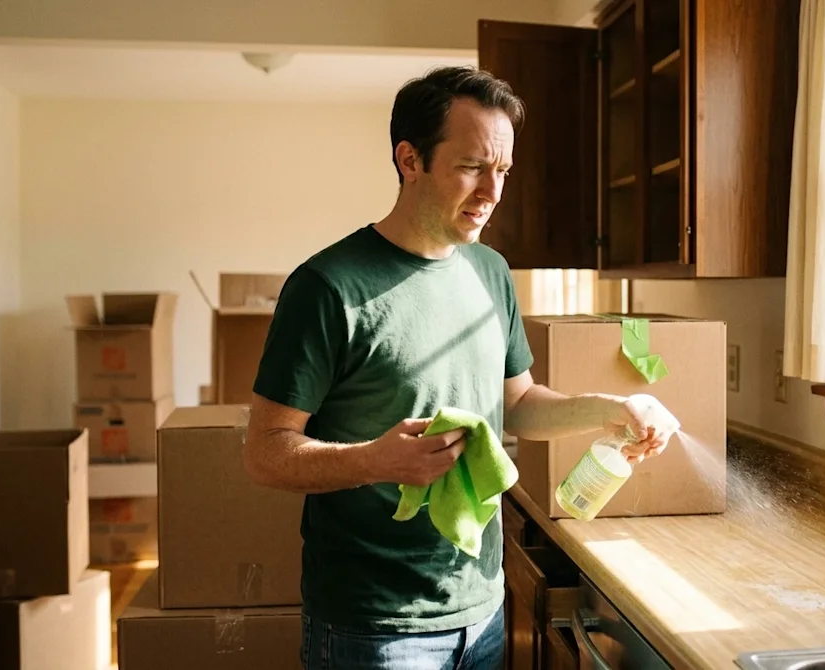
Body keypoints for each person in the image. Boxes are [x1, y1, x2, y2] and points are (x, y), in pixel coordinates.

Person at [243, 65, 675, 670]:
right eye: (472, 167)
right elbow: (264, 453)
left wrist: (611, 410)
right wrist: (375, 460)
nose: (493, 193)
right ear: (410, 159)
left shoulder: (490, 272)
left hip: (482, 609)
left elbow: (520, 404)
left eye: (502, 171)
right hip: (374, 629)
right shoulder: (327, 287)